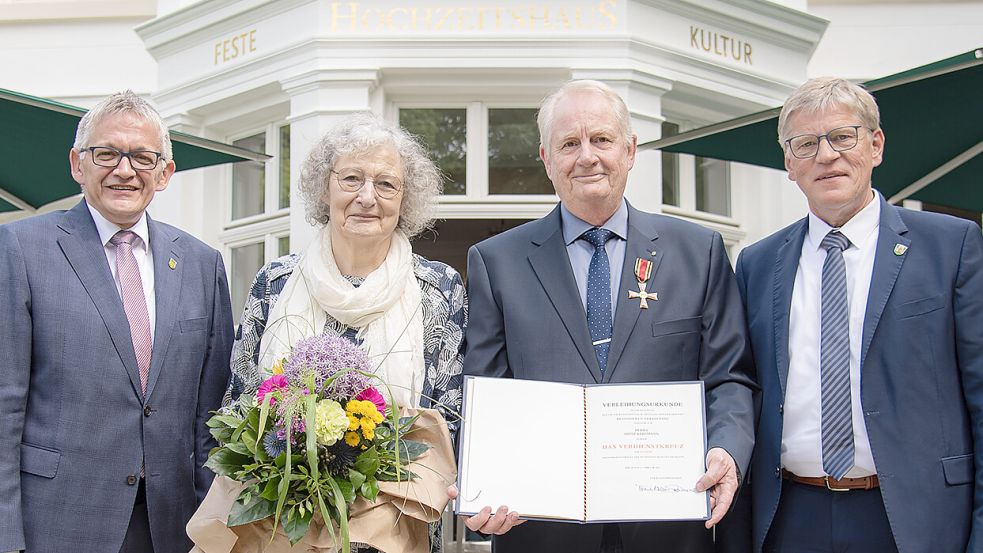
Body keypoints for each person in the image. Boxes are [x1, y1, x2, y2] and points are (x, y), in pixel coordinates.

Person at [459, 79, 756, 552]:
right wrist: (482, 486)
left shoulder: (698, 253)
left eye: (601, 139)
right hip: (541, 531)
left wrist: (728, 449)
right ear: (546, 159)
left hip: (671, 529)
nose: (587, 156)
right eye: (569, 144)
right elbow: (485, 393)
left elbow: (730, 378)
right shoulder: (497, 262)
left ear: (631, 149)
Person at [734, 77, 983, 552]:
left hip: (913, 518)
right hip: (790, 517)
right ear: (789, 164)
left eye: (842, 137)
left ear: (876, 145)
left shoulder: (950, 247)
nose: (826, 156)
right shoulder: (757, 263)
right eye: (806, 144)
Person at [0, 91, 234, 553]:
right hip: (57, 523)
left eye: (142, 157)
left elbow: (213, 416)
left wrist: (215, 524)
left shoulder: (202, 264)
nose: (124, 170)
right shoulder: (19, 251)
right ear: (76, 164)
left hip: (173, 526)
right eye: (106, 154)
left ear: (165, 172)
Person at [225, 113, 466, 552]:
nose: (367, 197)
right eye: (352, 178)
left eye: (386, 184)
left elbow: (448, 417)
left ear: (405, 199)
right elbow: (239, 406)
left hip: (393, 529)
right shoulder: (275, 282)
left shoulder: (439, 288)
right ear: (325, 188)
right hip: (283, 523)